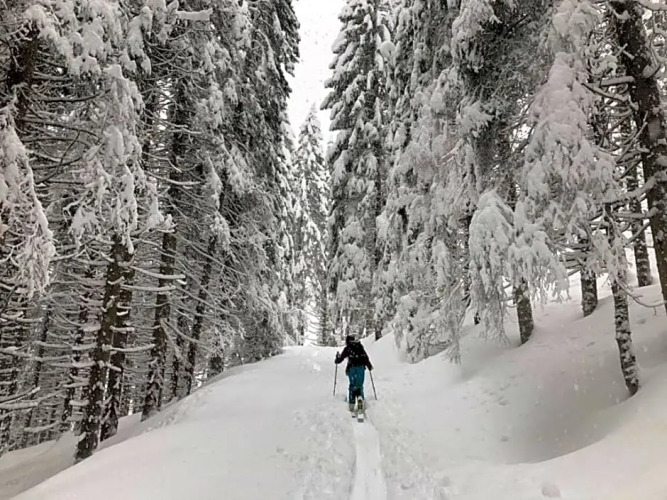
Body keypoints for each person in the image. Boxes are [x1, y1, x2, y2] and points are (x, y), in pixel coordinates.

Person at [335, 335, 373, 412]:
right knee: (359, 386)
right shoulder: (360, 346)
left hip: (352, 369)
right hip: (361, 368)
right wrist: (369, 366)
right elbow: (365, 357)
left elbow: (340, 359)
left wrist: (337, 359)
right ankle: (360, 399)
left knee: (352, 386)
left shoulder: (348, 348)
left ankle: (351, 404)